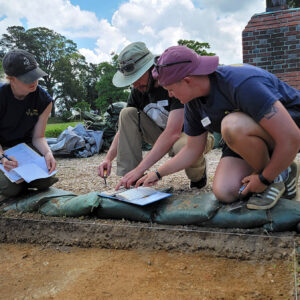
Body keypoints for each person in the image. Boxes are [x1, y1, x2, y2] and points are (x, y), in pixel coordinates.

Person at [137, 45, 300, 210]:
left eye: (171, 90)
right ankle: (285, 170)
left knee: (232, 124)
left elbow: (292, 137)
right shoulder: (193, 103)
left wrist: (264, 179)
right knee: (225, 192)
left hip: (288, 127)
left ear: (187, 80)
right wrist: (158, 173)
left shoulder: (240, 83)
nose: (170, 95)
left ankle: (276, 177)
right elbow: (192, 149)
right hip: (247, 136)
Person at [98, 42, 214, 190]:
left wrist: (147, 170)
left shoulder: (173, 82)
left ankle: (198, 175)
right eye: (131, 80)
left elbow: (173, 133)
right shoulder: (138, 90)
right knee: (127, 114)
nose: (134, 84)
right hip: (162, 134)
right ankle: (130, 178)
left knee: (181, 146)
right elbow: (123, 130)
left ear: (151, 69)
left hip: (191, 135)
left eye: (137, 77)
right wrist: (108, 158)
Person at [0, 49, 57, 198]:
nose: (33, 82)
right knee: (10, 189)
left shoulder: (44, 100)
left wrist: (47, 152)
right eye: (27, 78)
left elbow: (38, 137)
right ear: (11, 78)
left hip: (23, 148)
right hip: (1, 148)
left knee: (46, 180)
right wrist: (2, 158)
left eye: (35, 76)